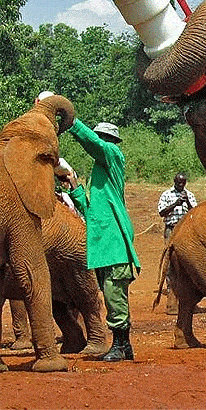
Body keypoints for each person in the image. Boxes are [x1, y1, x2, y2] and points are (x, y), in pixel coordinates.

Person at [63, 119, 140, 362]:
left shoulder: (114, 156)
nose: (100, 142)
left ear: (111, 141)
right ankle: (123, 345)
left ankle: (119, 344)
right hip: (103, 246)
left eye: (102, 138)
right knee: (110, 295)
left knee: (114, 294)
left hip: (115, 244)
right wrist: (74, 187)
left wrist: (72, 123)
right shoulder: (100, 174)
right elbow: (90, 211)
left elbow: (95, 144)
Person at [157, 173, 197, 314]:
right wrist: (175, 204)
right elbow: (162, 212)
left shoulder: (190, 195)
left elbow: (196, 213)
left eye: (183, 183)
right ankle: (171, 299)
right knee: (170, 263)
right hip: (171, 229)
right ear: (174, 181)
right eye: (179, 183)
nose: (181, 185)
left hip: (186, 232)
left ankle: (188, 299)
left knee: (188, 262)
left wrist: (187, 203)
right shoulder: (167, 195)